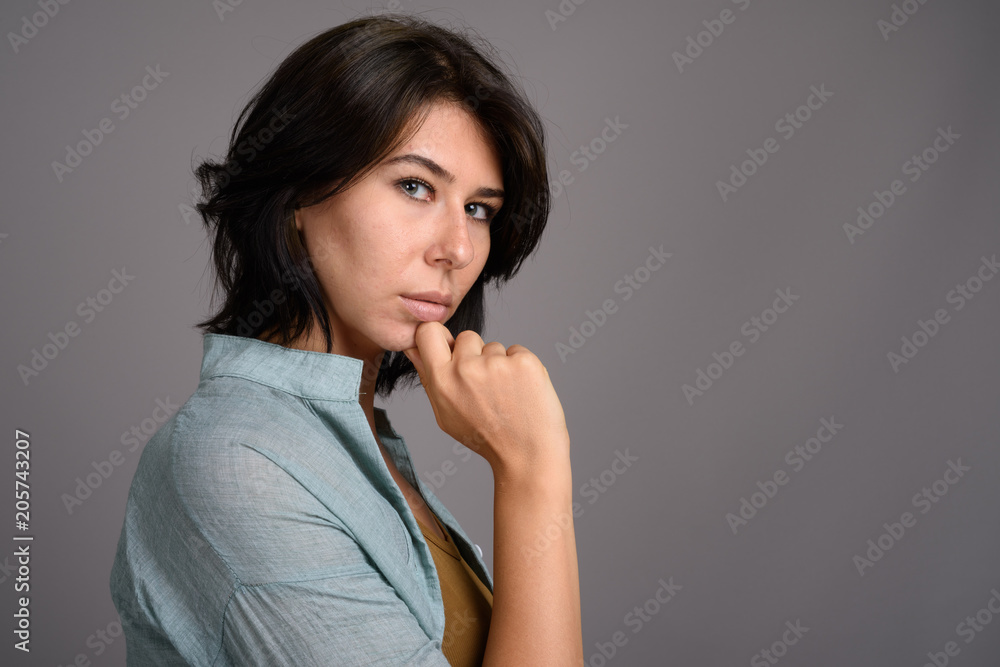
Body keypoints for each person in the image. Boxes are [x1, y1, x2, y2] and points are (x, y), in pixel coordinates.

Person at [109, 12, 583, 666]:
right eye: (416, 186)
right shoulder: (235, 463)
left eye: (479, 208)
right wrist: (534, 473)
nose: (457, 247)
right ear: (301, 192)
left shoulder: (350, 440)